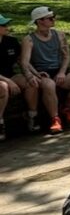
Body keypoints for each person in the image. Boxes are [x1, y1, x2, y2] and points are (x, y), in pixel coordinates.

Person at [18, 7, 70, 135]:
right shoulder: (29, 40)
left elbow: (66, 56)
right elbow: (25, 62)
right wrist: (33, 74)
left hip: (60, 70)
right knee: (49, 85)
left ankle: (66, 108)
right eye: (50, 18)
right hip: (42, 72)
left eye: (53, 17)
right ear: (40, 21)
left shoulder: (59, 35)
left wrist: (62, 72)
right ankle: (55, 119)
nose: (53, 20)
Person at [0, 13, 29, 141]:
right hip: (3, 80)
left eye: (7, 24)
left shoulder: (11, 41)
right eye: (3, 25)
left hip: (10, 75)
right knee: (3, 88)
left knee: (30, 83)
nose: (7, 27)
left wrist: (32, 74)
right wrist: (7, 81)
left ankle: (32, 116)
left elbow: (21, 61)